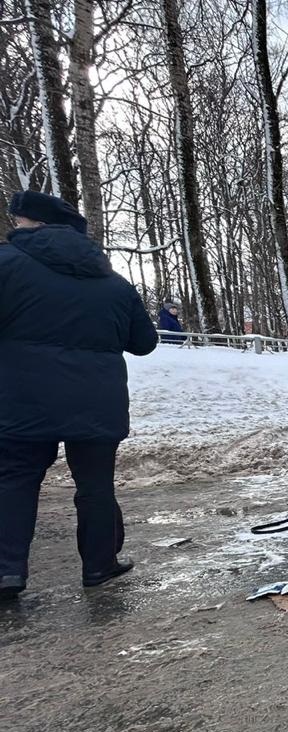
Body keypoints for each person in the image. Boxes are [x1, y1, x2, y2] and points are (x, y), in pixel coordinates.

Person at [0, 190, 158, 601]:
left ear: (28, 223)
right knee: (96, 485)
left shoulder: (7, 265)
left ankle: (7, 571)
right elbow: (144, 342)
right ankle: (99, 564)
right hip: (97, 401)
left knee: (15, 481)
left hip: (22, 398)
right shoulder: (113, 282)